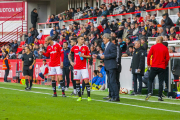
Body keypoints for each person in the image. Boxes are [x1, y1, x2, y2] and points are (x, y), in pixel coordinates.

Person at [94, 33, 119, 102]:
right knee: (110, 82)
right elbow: (105, 56)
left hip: (111, 66)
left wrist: (105, 56)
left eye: (104, 38)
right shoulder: (106, 46)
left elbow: (114, 55)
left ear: (108, 39)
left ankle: (116, 96)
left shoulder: (112, 45)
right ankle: (112, 96)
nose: (103, 39)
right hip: (108, 66)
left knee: (112, 81)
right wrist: (97, 56)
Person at [146, 36, 170, 101]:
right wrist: (164, 65)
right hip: (162, 67)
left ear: (158, 40)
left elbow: (148, 56)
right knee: (161, 82)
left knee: (150, 80)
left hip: (154, 66)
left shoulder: (153, 47)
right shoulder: (165, 48)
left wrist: (148, 64)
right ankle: (160, 96)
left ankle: (149, 92)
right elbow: (167, 58)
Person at [68, 36, 92, 101]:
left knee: (86, 80)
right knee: (77, 81)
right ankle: (79, 97)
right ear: (78, 40)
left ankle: (89, 96)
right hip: (76, 67)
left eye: (83, 39)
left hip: (84, 67)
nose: (83, 40)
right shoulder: (74, 47)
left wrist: (84, 56)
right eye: (81, 39)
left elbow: (90, 56)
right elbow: (69, 54)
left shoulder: (86, 47)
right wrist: (71, 62)